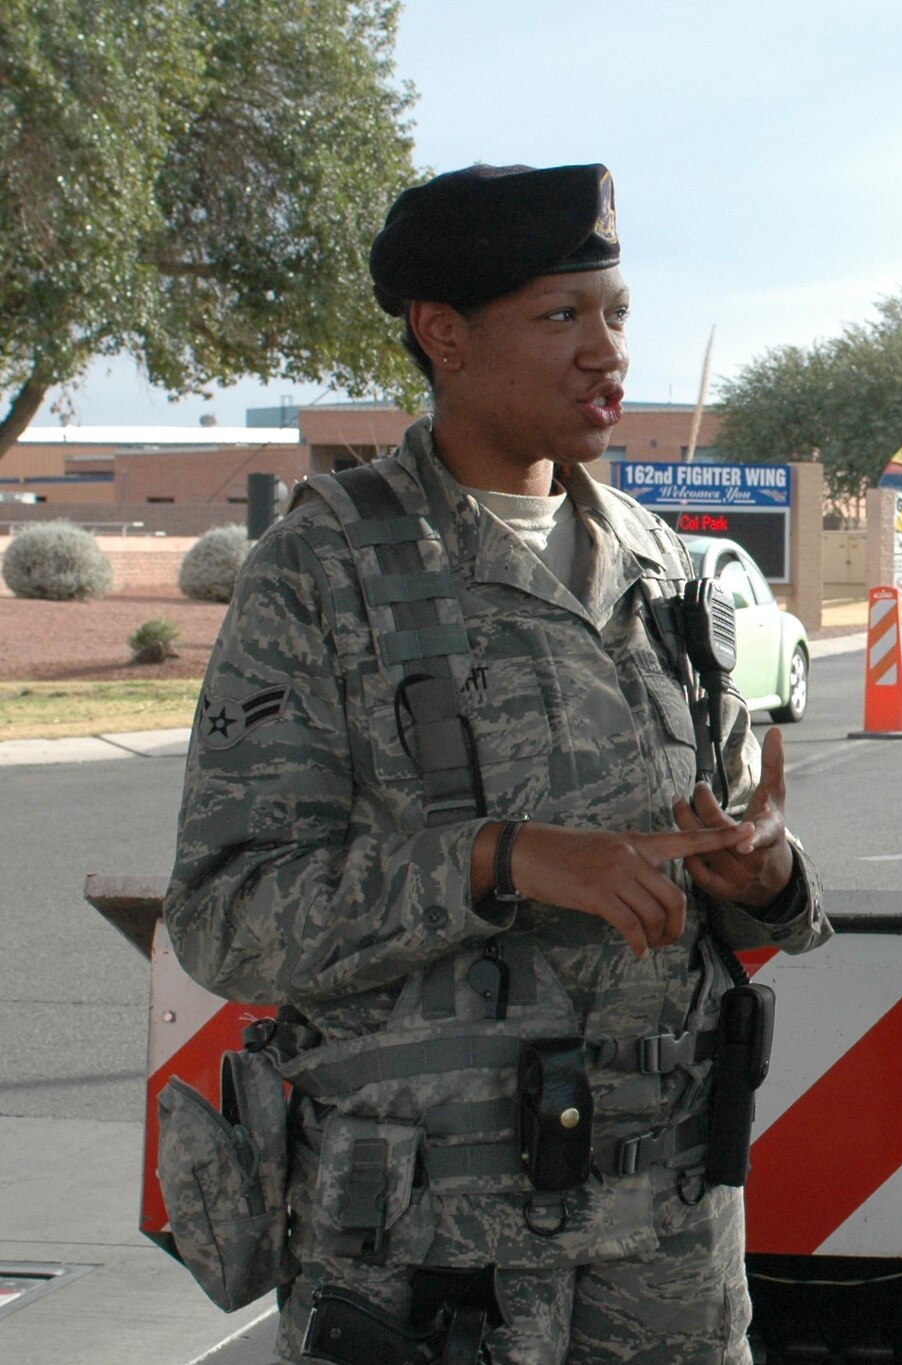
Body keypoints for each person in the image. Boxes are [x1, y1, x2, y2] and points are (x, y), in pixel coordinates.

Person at [166, 162, 831, 1364]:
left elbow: (728, 865)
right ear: (442, 333)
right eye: (561, 316)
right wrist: (500, 860)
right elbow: (227, 918)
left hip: (669, 1240)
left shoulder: (662, 565)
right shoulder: (327, 571)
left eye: (616, 312)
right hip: (436, 1256)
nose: (603, 350)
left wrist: (764, 878)